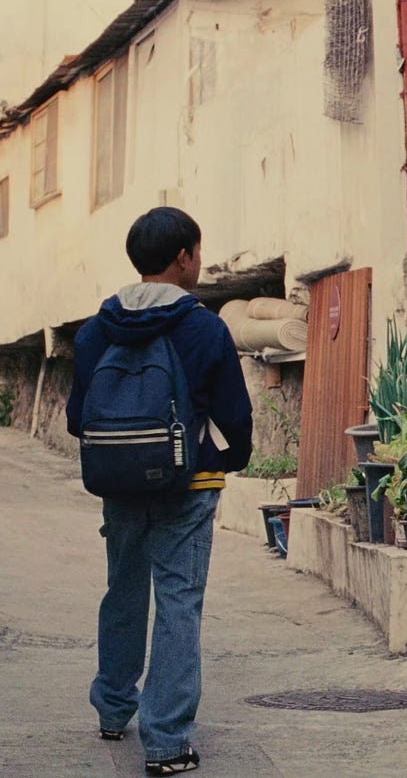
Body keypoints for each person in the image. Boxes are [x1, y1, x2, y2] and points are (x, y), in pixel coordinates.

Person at [67, 207, 254, 775]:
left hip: (119, 485)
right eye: (198, 252)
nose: (200, 261)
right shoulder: (203, 327)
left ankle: (113, 709)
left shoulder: (96, 329)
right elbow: (234, 417)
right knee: (178, 604)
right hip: (187, 484)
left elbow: (79, 417)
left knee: (122, 591)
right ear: (183, 257)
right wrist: (225, 460)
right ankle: (167, 742)